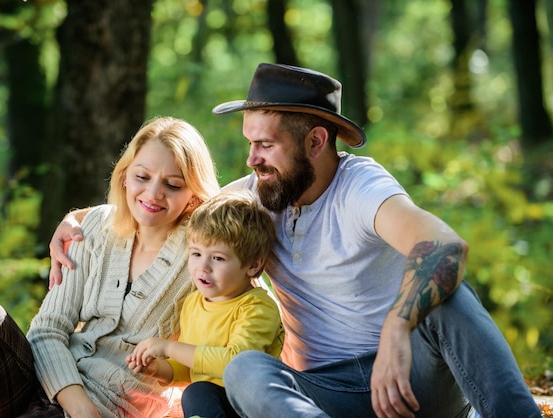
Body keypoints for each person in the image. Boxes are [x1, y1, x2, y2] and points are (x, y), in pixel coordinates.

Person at [47, 64, 541, 418]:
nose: (251, 160)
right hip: (313, 394)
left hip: (408, 379)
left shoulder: (361, 188)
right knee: (241, 373)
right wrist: (76, 218)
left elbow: (443, 244)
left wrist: (397, 327)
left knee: (448, 295)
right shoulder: (257, 195)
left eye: (265, 145)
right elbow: (170, 203)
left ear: (316, 143)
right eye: (248, 143)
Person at [0, 116, 219, 418]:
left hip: (109, 405)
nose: (154, 193)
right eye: (142, 177)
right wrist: (81, 409)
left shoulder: (204, 257)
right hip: (39, 383)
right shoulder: (96, 227)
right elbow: (48, 329)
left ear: (193, 194)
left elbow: (250, 305)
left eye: (172, 185)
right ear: (125, 176)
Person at [125, 191, 284, 418]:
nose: (203, 267)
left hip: (253, 406)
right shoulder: (193, 304)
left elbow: (235, 365)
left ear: (252, 265)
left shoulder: (257, 307)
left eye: (218, 258)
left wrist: (169, 347)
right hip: (211, 401)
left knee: (197, 393)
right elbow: (191, 368)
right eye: (196, 253)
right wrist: (158, 369)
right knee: (195, 391)